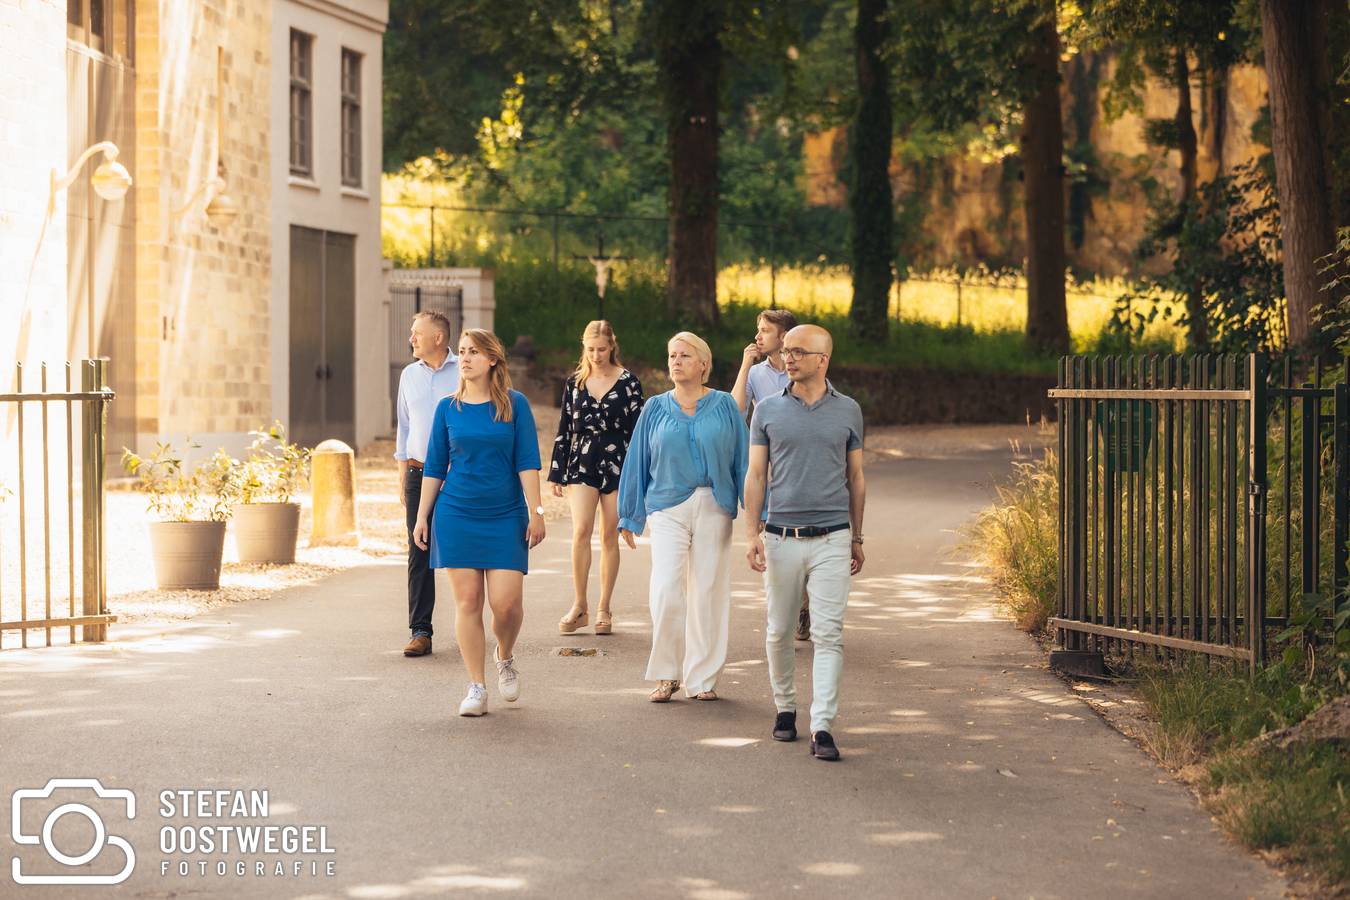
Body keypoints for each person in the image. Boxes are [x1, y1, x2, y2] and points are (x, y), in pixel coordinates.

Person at [744, 324, 866, 761]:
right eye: (787, 349)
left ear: (822, 360)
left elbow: (856, 477)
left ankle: (822, 725)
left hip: (833, 536)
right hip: (780, 537)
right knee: (778, 631)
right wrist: (752, 533)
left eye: (799, 351)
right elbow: (756, 474)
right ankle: (785, 708)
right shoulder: (768, 411)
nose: (788, 357)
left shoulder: (848, 410)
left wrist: (857, 534)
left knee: (829, 635)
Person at [412, 329, 546, 717]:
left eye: (474, 352)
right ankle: (476, 686)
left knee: (506, 605)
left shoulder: (514, 405)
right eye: (464, 351)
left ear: (492, 360)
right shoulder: (446, 408)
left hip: (505, 514)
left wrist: (536, 512)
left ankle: (504, 654)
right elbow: (435, 466)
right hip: (456, 513)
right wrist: (423, 516)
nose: (465, 358)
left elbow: (527, 461)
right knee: (468, 601)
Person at [618, 332, 749, 703]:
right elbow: (637, 461)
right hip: (666, 506)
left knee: (708, 589)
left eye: (685, 356)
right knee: (666, 590)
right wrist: (630, 515)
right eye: (672, 355)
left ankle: (702, 678)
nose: (676, 361)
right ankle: (666, 674)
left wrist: (758, 514)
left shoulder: (724, 405)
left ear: (704, 365)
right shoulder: (655, 408)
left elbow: (745, 462)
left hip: (715, 503)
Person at [549, 320, 645, 636]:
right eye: (590, 349)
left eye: (601, 349)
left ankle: (604, 607)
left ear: (611, 346)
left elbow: (638, 432)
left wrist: (641, 473)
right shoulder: (574, 383)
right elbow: (564, 428)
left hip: (620, 460)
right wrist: (556, 472)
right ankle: (579, 605)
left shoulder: (629, 382)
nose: (596, 355)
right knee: (580, 531)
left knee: (608, 535)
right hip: (582, 460)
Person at [731, 308, 813, 643]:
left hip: (797, 469)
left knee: (802, 543)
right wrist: (745, 365)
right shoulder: (756, 374)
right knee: (773, 543)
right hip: (763, 467)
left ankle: (803, 604)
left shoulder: (805, 370)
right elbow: (736, 409)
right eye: (757, 329)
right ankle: (783, 614)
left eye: (765, 331)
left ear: (783, 337)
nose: (758, 336)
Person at [393, 311, 459, 657]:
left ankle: (472, 620)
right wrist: (402, 471)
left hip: (458, 474)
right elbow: (404, 427)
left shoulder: (464, 370)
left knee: (462, 550)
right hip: (419, 474)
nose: (411, 338)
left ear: (439, 338)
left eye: (417, 333)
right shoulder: (408, 375)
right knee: (418, 549)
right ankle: (421, 630)